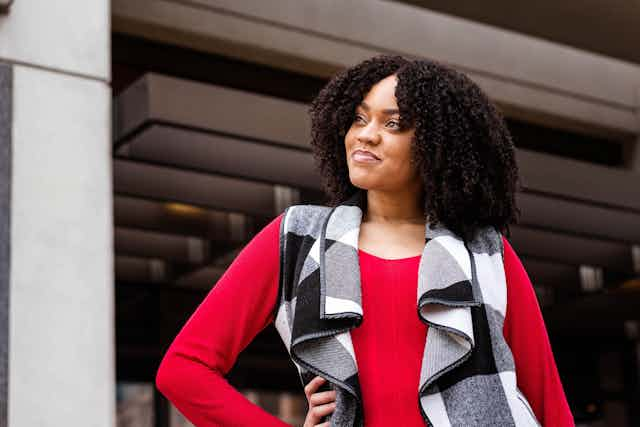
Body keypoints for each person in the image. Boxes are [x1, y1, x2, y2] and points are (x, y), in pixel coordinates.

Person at [155, 55, 574, 426]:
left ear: (438, 146)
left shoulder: (485, 251)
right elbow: (183, 370)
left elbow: (548, 404)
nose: (366, 135)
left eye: (393, 124)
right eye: (358, 117)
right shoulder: (298, 239)